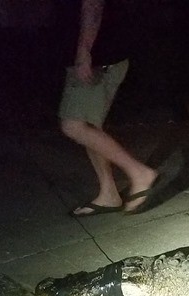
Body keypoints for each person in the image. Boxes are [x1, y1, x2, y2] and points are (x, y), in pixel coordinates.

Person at [59, 0, 159, 216]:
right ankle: (109, 194)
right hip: (96, 57)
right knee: (89, 125)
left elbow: (93, 5)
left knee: (73, 125)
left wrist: (84, 52)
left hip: (98, 59)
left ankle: (139, 172)